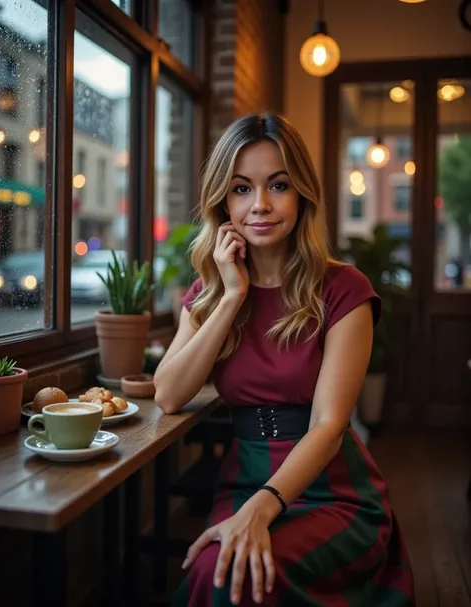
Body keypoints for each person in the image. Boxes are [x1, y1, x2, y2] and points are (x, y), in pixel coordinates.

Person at [154, 112, 415, 606]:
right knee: (219, 570)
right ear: (222, 200)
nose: (260, 205)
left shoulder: (344, 289)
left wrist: (262, 507)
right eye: (240, 189)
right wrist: (231, 298)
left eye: (278, 185)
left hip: (331, 488)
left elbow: (329, 423)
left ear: (302, 195)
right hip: (244, 474)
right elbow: (167, 394)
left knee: (248, 578)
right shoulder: (210, 292)